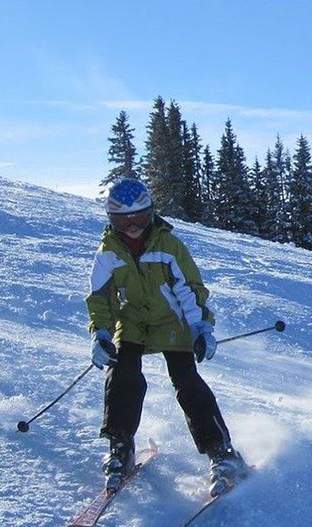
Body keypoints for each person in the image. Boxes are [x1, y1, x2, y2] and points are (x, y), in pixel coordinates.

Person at [85, 178, 246, 495]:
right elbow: (100, 298)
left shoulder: (168, 247)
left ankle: (222, 452)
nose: (133, 228)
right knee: (122, 374)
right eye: (124, 221)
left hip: (171, 321)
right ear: (111, 220)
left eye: (139, 218)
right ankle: (121, 446)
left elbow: (190, 290)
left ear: (151, 214)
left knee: (186, 379)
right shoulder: (108, 252)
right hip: (132, 322)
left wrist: (200, 328)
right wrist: (101, 333)